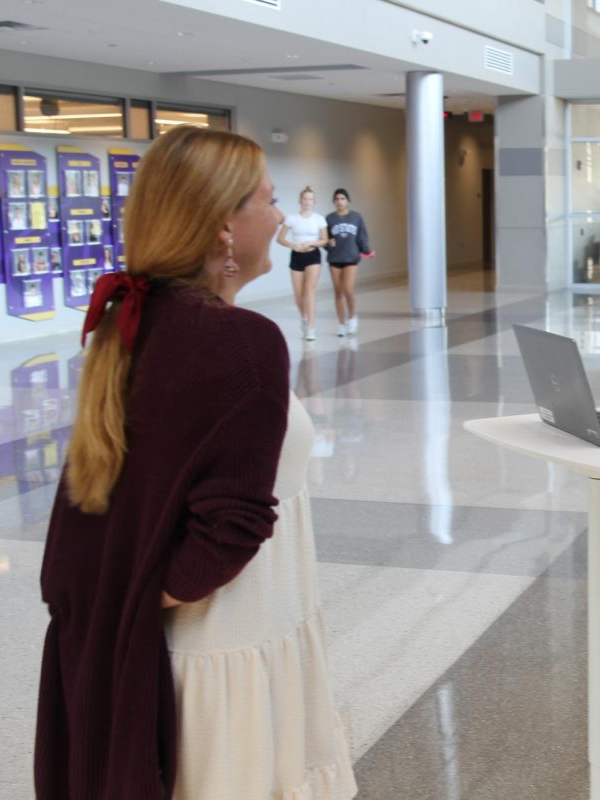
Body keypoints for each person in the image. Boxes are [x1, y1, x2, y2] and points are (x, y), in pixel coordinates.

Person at [34, 126, 357, 800]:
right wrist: (146, 588)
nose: (279, 217)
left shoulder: (134, 323)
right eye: (266, 201)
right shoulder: (242, 343)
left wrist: (123, 594)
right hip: (229, 640)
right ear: (222, 229)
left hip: (185, 649)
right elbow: (229, 526)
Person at [278, 186, 328, 340]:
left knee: (309, 291)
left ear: (314, 202)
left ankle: (311, 329)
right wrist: (295, 246)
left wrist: (312, 242)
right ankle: (304, 318)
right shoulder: (292, 218)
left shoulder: (319, 219)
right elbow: (280, 238)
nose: (307, 202)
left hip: (313, 255)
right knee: (298, 295)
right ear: (300, 201)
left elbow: (324, 240)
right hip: (296, 256)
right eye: (305, 198)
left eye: (310, 199)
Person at [323, 188, 372, 337]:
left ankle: (352, 317)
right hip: (335, 259)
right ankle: (341, 324)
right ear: (333, 201)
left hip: (351, 258)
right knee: (338, 292)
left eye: (342, 198)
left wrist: (366, 249)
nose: (340, 201)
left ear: (348, 201)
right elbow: (324, 239)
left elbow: (362, 236)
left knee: (348, 290)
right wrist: (327, 243)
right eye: (337, 199)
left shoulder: (356, 217)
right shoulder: (329, 219)